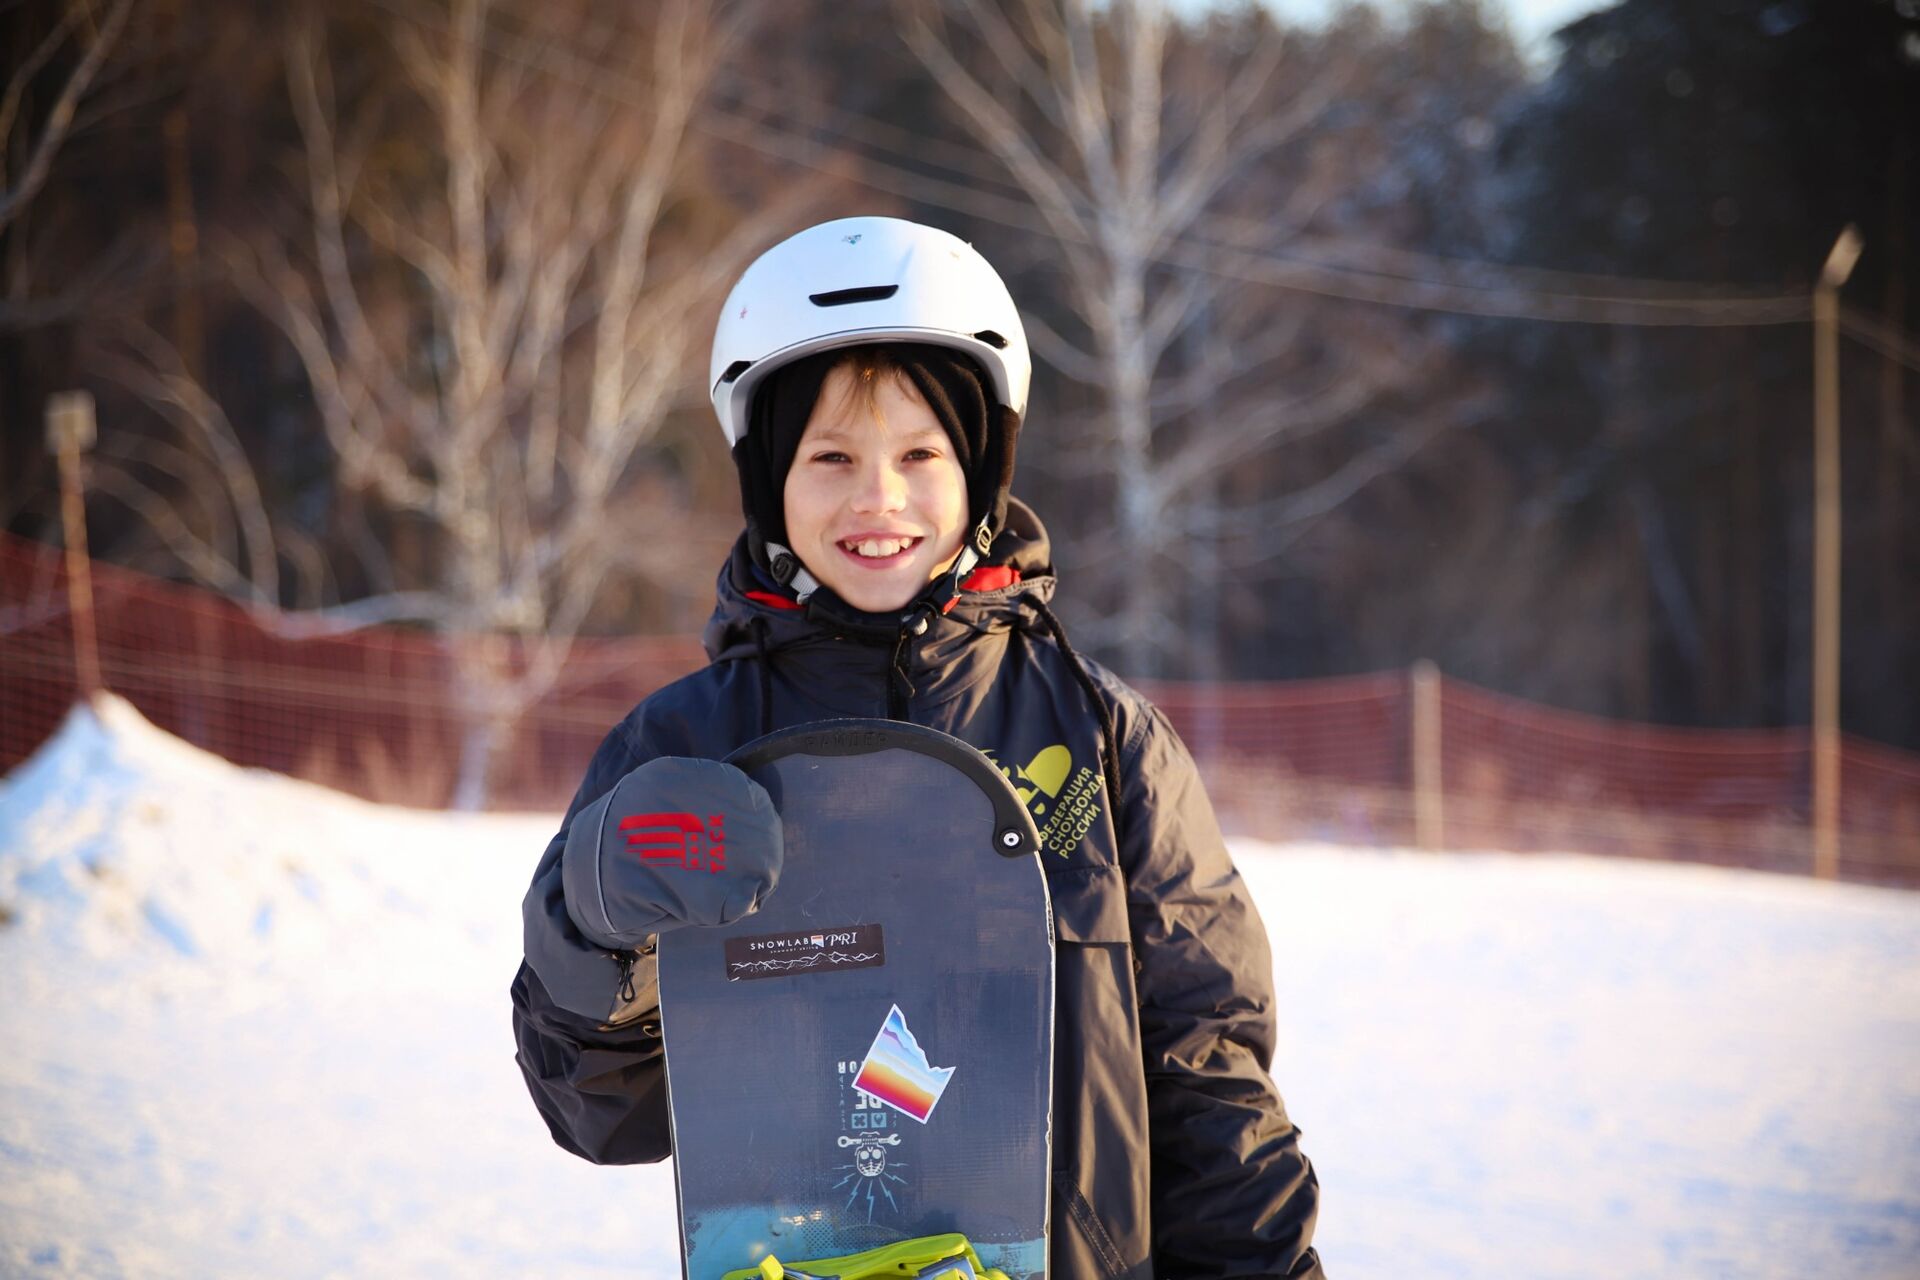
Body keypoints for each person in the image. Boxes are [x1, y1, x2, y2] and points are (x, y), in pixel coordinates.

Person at [512, 215, 1325, 1279]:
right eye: (832, 456)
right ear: (769, 478)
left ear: (981, 464)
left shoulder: (1099, 738)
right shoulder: (684, 746)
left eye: (919, 453)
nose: (877, 497)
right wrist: (596, 914)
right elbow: (597, 1111)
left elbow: (1209, 1070)